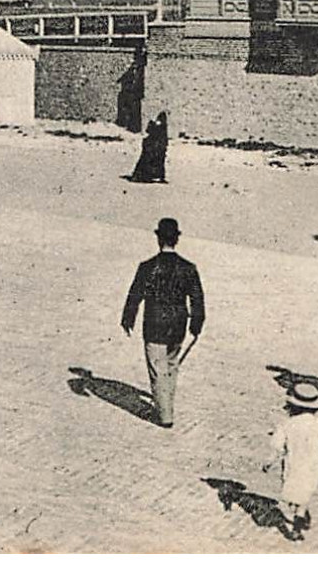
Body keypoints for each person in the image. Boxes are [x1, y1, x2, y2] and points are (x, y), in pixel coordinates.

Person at [120, 217, 205, 429]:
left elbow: (135, 294)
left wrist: (128, 319)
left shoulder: (147, 267)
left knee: (157, 369)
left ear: (158, 239)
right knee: (171, 365)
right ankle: (166, 404)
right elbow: (197, 298)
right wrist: (196, 324)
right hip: (178, 325)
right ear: (176, 239)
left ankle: (165, 415)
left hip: (155, 324)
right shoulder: (188, 268)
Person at [265, 382, 318, 540]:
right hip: (313, 464)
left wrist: (269, 462)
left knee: (295, 489)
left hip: (293, 462)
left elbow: (277, 446)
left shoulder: (287, 425)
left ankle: (299, 517)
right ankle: (300, 518)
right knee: (306, 489)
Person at [129, 111, 169, 183]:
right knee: (149, 161)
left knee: (153, 161)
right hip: (153, 146)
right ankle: (144, 176)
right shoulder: (160, 126)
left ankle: (149, 176)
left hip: (156, 146)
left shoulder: (162, 126)